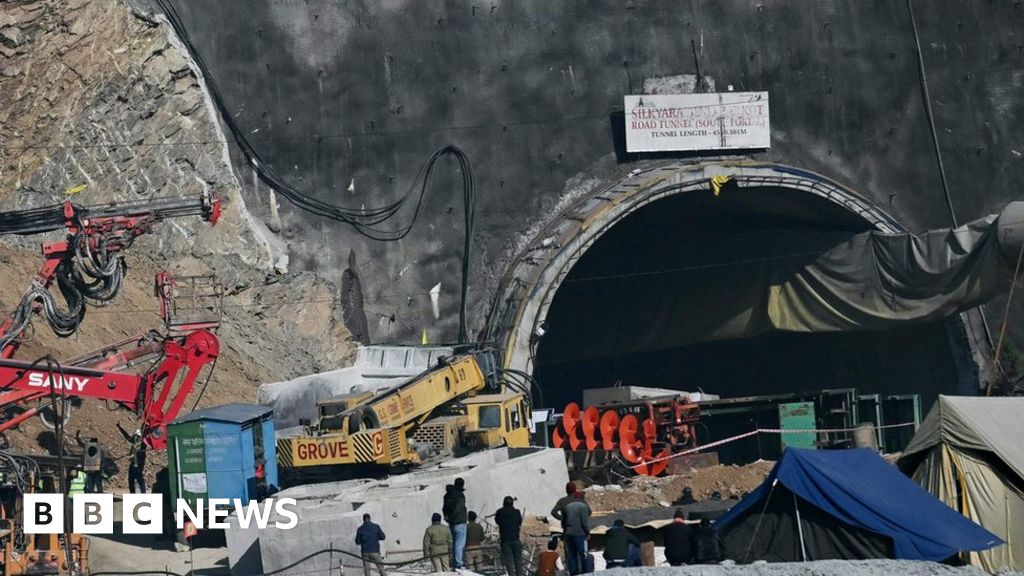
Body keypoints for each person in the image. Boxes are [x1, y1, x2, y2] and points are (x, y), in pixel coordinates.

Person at [494, 496, 524, 576]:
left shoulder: (500, 512)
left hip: (505, 540)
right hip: (516, 538)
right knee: (518, 560)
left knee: (509, 561)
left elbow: (497, 521)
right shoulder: (517, 512)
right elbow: (519, 522)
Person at [563, 491, 591, 575]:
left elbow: (564, 521)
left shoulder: (568, 506)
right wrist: (587, 532)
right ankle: (584, 572)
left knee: (572, 555)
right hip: (579, 533)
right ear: (582, 498)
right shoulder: (583, 507)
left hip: (569, 533)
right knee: (582, 554)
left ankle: (573, 573)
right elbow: (584, 522)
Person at [442, 477, 468, 569]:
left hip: (451, 522)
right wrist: (453, 517)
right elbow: (459, 508)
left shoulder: (447, 495)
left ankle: (455, 562)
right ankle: (459, 564)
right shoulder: (460, 495)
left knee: (455, 543)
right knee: (460, 544)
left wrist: (448, 518)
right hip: (459, 522)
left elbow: (444, 508)